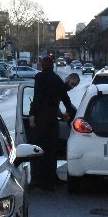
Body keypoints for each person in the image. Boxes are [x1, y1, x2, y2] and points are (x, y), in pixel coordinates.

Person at [29, 57, 75, 191]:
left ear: (42, 66)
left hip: (41, 118)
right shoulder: (57, 79)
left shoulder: (39, 77)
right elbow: (65, 98)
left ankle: (37, 179)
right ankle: (50, 181)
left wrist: (32, 115)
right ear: (52, 66)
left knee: (38, 149)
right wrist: (71, 116)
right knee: (51, 150)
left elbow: (37, 97)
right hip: (52, 119)